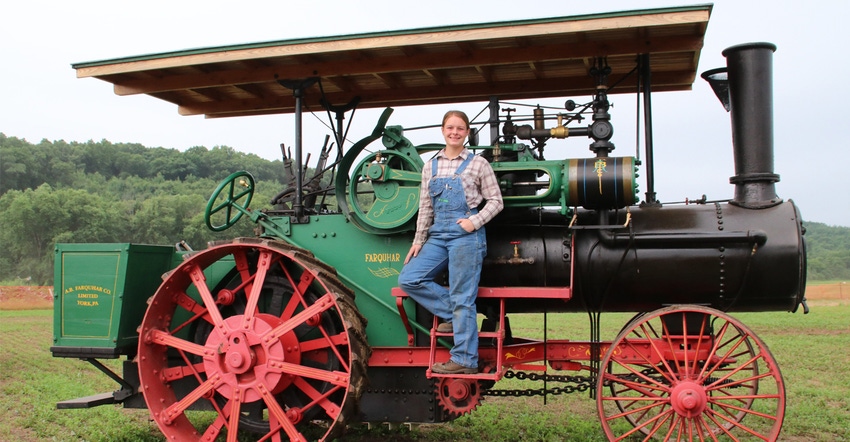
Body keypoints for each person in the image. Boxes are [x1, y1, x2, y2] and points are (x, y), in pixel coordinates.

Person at [398, 110, 504, 375]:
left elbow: (496, 201)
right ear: (443, 130)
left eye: (460, 128)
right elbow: (425, 206)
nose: (454, 132)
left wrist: (475, 222)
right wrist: (419, 240)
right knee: (410, 278)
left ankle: (465, 360)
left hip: (466, 235)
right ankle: (454, 316)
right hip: (438, 235)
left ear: (467, 133)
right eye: (450, 127)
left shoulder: (478, 163)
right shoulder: (430, 165)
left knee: (462, 297)